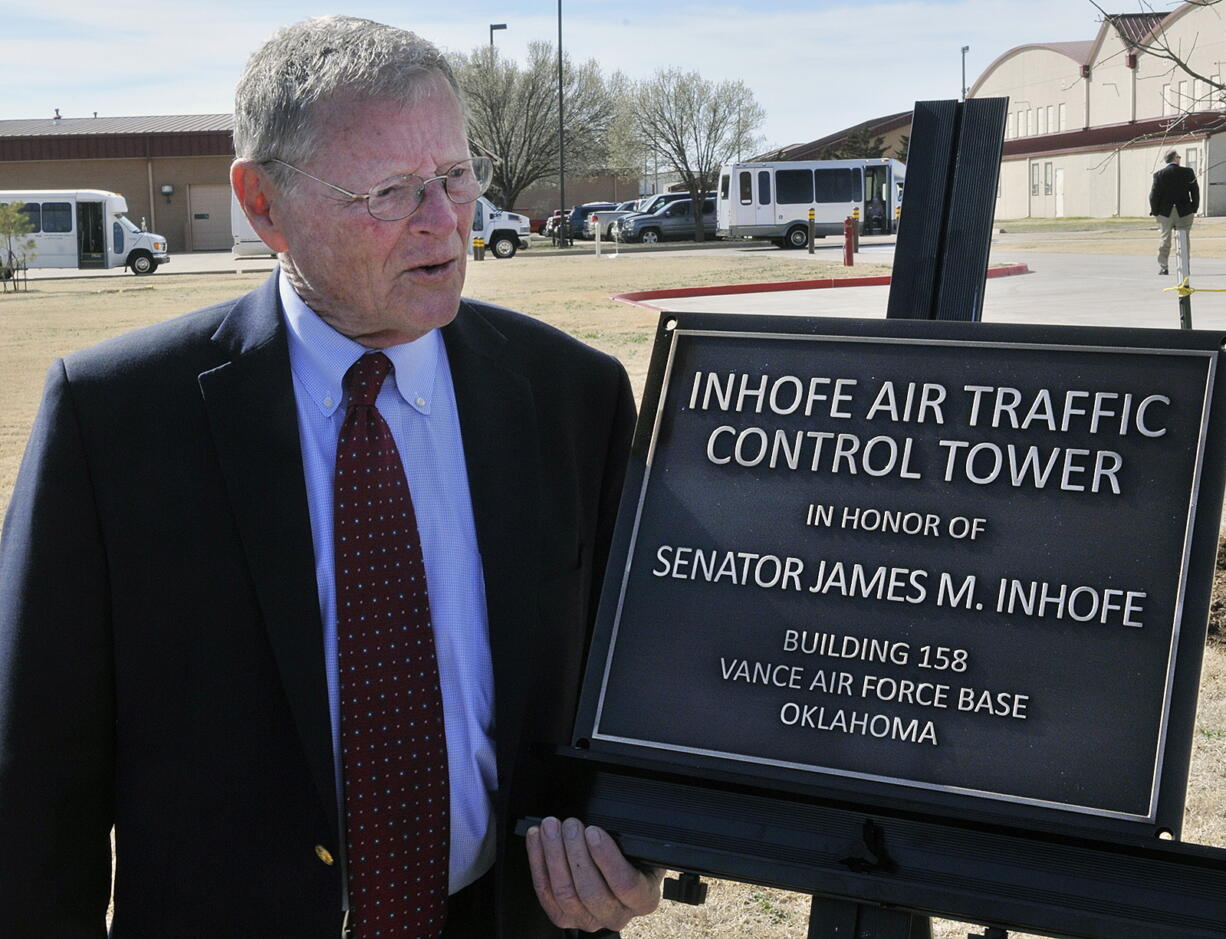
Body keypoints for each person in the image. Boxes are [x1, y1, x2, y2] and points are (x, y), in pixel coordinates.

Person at [0, 16, 662, 938]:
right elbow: (34, 781)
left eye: (456, 175)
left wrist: (634, 844)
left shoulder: (574, 396)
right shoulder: (113, 419)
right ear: (263, 204)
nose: (444, 220)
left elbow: (627, 691)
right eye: (390, 191)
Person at [1149, 149, 1199, 275]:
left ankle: (1164, 266)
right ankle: (1184, 266)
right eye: (1179, 157)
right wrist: (1194, 207)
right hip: (1184, 211)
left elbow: (1154, 195)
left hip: (1165, 212)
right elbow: (1195, 191)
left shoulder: (1159, 175)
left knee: (1165, 239)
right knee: (1184, 239)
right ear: (1175, 158)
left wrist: (1155, 211)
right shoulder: (1188, 172)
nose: (1180, 159)